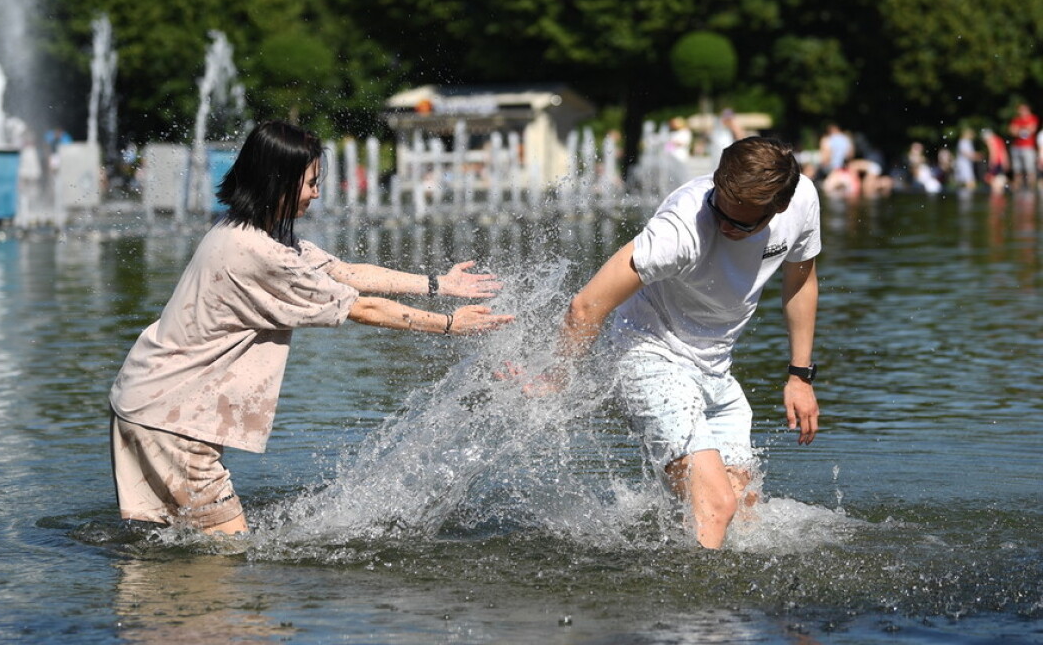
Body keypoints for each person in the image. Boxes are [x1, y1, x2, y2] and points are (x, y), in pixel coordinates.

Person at [108, 121, 515, 536]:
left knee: (157, 547)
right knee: (229, 554)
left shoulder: (250, 228)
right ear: (277, 181)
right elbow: (361, 307)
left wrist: (437, 285)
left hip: (146, 402)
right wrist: (450, 323)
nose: (317, 194)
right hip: (172, 421)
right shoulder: (257, 252)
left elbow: (344, 272)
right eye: (311, 183)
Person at [521, 137, 821, 549]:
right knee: (716, 506)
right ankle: (699, 611)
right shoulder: (679, 232)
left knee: (744, 510)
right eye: (719, 210)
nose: (724, 226)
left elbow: (800, 277)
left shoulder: (802, 199)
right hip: (649, 352)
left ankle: (681, 575)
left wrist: (800, 376)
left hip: (716, 367)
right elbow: (586, 306)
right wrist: (557, 377)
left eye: (742, 224)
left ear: (778, 208)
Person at [1008, 103, 1039, 190]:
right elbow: (1012, 131)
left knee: (1030, 170)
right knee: (1017, 170)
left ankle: (1031, 188)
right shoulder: (1016, 119)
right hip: (1016, 147)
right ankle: (1018, 188)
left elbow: (1031, 129)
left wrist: (1019, 130)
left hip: (1028, 147)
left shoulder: (1033, 118)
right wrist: (1023, 130)